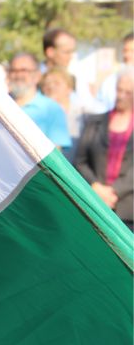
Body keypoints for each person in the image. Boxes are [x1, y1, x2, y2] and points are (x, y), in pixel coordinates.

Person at [76, 67, 133, 230]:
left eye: (128, 92)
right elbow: (80, 161)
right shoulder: (95, 122)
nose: (121, 96)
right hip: (93, 203)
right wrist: (95, 186)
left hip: (128, 210)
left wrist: (114, 191)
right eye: (119, 90)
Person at [7, 52, 70, 151]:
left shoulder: (52, 109)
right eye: (14, 70)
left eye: (24, 70)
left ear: (37, 76)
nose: (18, 75)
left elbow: (55, 155)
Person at [40, 68, 85, 161]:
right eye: (46, 84)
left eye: (57, 83)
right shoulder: (39, 115)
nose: (51, 87)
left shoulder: (83, 114)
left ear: (69, 89)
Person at [98, 34, 134, 111]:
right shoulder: (110, 81)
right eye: (125, 51)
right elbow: (100, 108)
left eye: (132, 51)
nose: (127, 55)